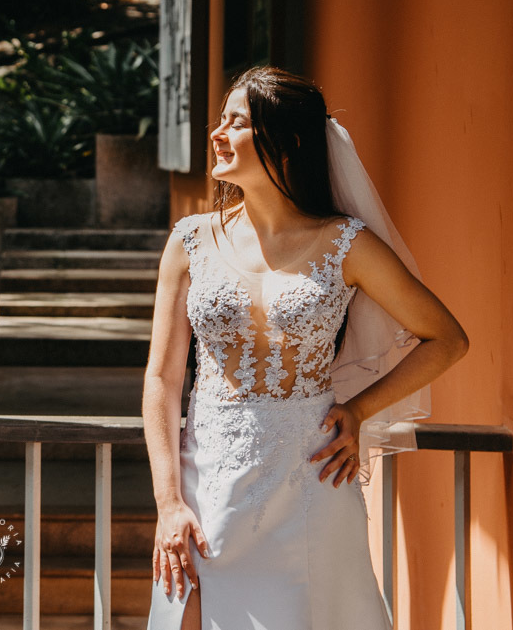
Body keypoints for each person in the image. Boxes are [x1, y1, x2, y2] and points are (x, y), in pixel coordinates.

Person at [143, 67, 469, 630]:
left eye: (236, 122)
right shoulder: (190, 241)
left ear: (289, 142)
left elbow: (447, 339)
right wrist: (168, 502)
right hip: (207, 480)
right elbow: (162, 380)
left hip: (312, 481)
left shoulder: (346, 244)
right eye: (219, 120)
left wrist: (360, 409)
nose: (216, 133)